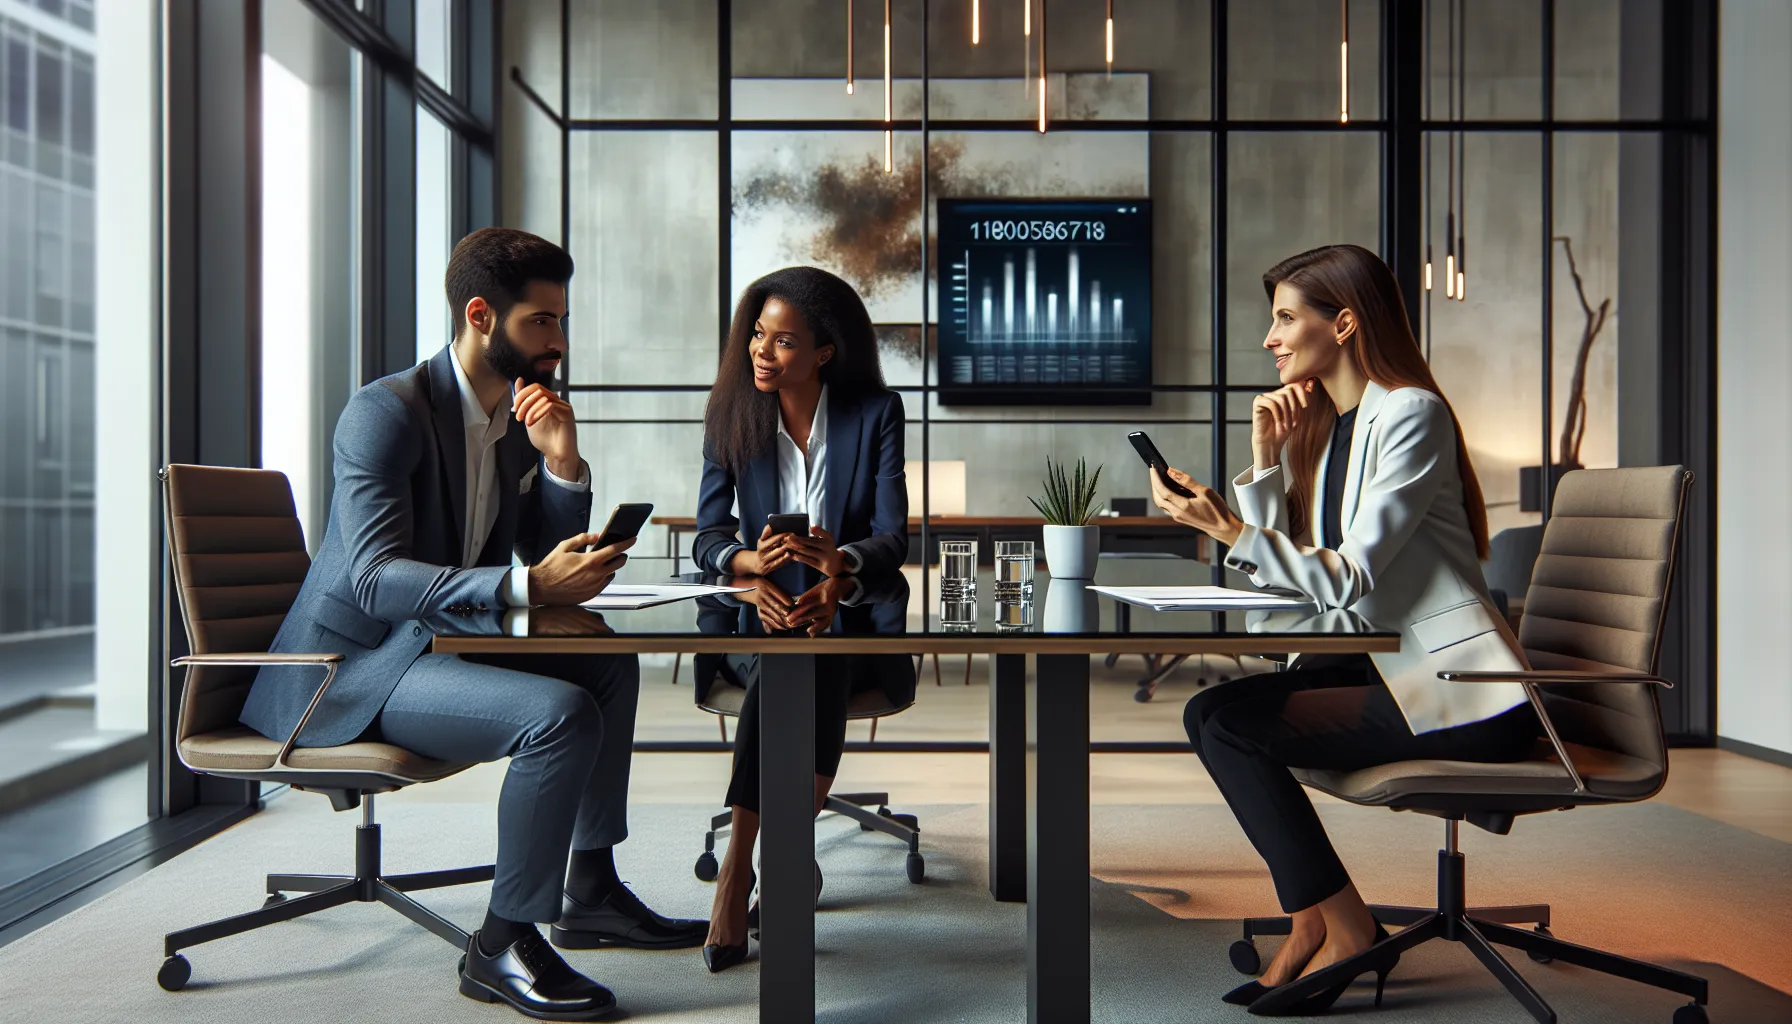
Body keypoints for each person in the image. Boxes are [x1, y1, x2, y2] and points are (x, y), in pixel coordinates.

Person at [239, 227, 705, 1022]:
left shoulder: (509, 419)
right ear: (482, 315)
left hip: (434, 646)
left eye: (563, 322)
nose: (558, 343)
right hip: (350, 672)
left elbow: (529, 548)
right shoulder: (384, 414)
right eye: (542, 323)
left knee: (606, 667)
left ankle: (588, 889)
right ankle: (501, 942)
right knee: (557, 717)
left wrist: (561, 460)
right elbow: (377, 580)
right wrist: (529, 583)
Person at [1146, 244, 1541, 1016]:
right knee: (1208, 712)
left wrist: (1227, 529)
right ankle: (1312, 921)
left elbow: (1348, 577)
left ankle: (1344, 930)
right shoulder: (1330, 429)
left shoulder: (1409, 415)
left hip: (1465, 698)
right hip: (1378, 666)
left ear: (1347, 322)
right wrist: (1264, 461)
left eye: (1287, 318)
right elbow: (1282, 596)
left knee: (1233, 731)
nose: (1271, 339)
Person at [691, 266, 910, 971]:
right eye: (757, 335)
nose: (761, 351)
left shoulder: (876, 414)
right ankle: (775, 860)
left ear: (824, 351)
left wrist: (838, 560)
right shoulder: (730, 414)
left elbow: (893, 538)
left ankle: (741, 868)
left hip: (843, 623)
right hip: (754, 624)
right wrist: (745, 562)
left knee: (813, 654)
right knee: (791, 661)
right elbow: (706, 536)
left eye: (782, 341)